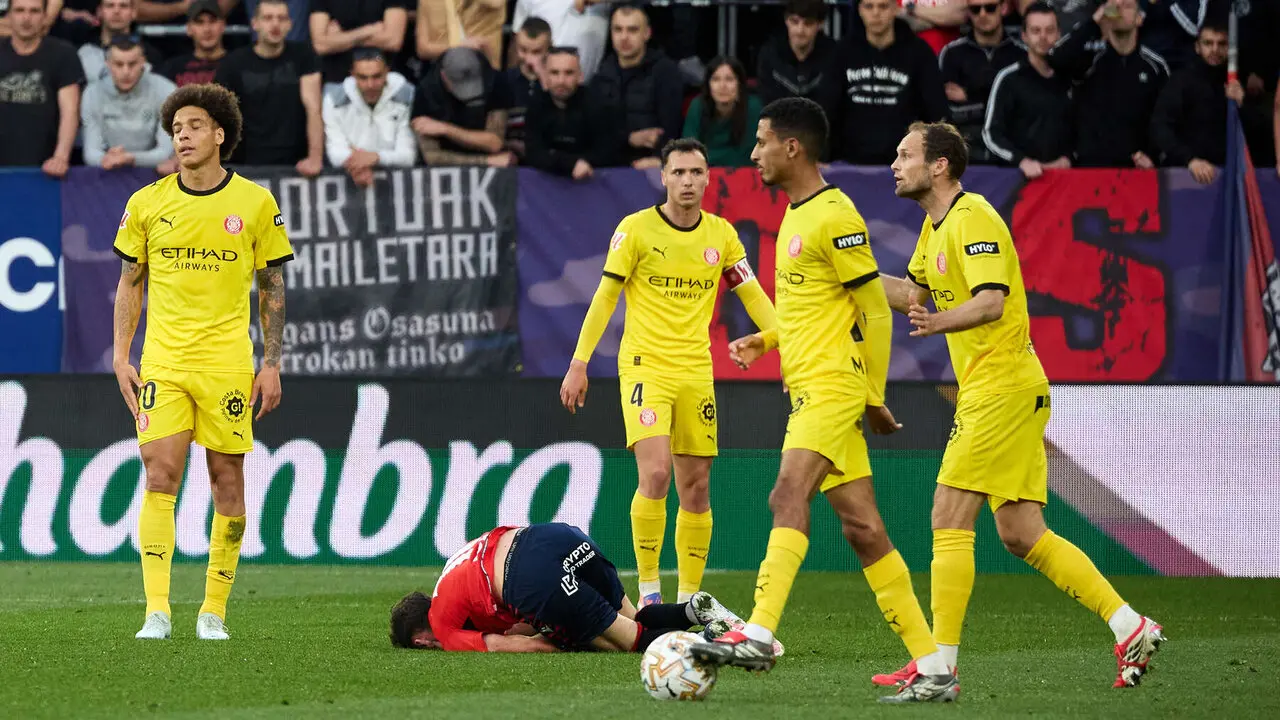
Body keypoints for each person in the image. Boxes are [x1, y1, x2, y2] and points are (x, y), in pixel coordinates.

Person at [872, 121, 1164, 698]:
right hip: (1005, 389)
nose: (894, 164)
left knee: (947, 515)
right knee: (1022, 532)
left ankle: (939, 668)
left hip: (1000, 386)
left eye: (905, 155)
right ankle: (1131, 627)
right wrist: (845, 272)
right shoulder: (934, 231)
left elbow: (988, 302)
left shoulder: (972, 216)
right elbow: (913, 294)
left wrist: (936, 324)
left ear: (940, 166)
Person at [688, 99, 950, 697]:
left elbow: (873, 311)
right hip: (810, 385)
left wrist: (873, 395)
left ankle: (757, 630)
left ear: (792, 147)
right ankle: (932, 664)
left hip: (833, 389)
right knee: (863, 528)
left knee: (786, 493)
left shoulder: (834, 213)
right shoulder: (800, 216)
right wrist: (770, 337)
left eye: (760, 141)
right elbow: (825, 303)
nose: (752, 154)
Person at [561, 137, 778, 616]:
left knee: (696, 486)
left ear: (707, 179)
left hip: (696, 370)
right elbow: (604, 298)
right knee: (656, 472)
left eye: (696, 173)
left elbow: (754, 295)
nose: (687, 181)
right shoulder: (635, 230)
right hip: (644, 366)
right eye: (677, 173)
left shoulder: (721, 236)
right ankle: (650, 591)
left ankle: (690, 598)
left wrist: (778, 338)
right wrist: (579, 362)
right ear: (663, 177)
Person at [112, 83, 294, 642]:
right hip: (163, 362)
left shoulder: (256, 204)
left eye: (193, 126)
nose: (182, 136)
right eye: (175, 129)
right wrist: (121, 355)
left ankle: (213, 610)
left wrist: (272, 363)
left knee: (227, 481)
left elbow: (272, 287)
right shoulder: (147, 202)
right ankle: (157, 610)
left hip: (227, 366)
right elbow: (130, 282)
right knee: (159, 474)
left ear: (220, 134)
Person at [389, 523, 744, 653]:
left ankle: (717, 640)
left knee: (629, 639)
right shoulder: (455, 568)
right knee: (634, 616)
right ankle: (694, 608)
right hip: (553, 537)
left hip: (528, 575)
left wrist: (559, 644)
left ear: (420, 639)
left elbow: (504, 642)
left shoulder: (443, 625)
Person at [213, 0, 324, 176]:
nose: (275, 24)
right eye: (268, 18)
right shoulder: (233, 63)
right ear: (255, 23)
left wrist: (315, 157)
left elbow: (314, 108)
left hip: (296, 162)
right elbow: (216, 115)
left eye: (281, 18)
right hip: (247, 161)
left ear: (290, 24)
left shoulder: (304, 55)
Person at [981, 1, 1073, 178]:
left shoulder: (1068, 79)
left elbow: (1079, 128)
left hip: (1063, 182)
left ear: (1059, 34)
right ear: (1024, 35)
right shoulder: (1009, 78)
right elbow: (991, 134)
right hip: (1019, 183)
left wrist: (1069, 157)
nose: (1043, 37)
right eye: (1036, 31)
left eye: (1049, 30)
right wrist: (1021, 161)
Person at [1150, 23, 1244, 184]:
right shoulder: (1181, 82)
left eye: (1221, 44)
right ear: (1197, 47)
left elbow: (1256, 137)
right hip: (1184, 177)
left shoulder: (1236, 85)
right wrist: (1190, 160)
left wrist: (1242, 106)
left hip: (1228, 179)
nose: (1215, 49)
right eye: (1208, 43)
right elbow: (1160, 127)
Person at [0, 0, 84, 176]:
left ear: (45, 16)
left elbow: (70, 111)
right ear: (9, 16)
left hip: (46, 168)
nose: (26, 18)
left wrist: (60, 157)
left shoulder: (63, 54)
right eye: (19, 10)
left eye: (34, 11)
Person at [81, 35, 178, 172]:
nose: (126, 72)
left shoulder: (166, 90)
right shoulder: (92, 93)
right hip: (109, 171)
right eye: (119, 64)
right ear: (107, 64)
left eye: (132, 64)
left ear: (143, 62)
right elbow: (90, 153)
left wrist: (129, 158)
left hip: (154, 173)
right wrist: (107, 159)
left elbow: (165, 152)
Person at [322, 48, 417, 185]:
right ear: (353, 75)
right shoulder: (333, 99)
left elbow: (408, 156)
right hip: (351, 179)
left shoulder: (406, 95)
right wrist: (361, 165)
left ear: (386, 72)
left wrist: (375, 158)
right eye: (363, 77)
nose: (370, 85)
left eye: (376, 76)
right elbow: (335, 153)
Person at [523, 46, 620, 179]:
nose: (561, 81)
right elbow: (533, 153)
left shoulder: (598, 105)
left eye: (568, 73)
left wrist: (558, 159)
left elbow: (607, 152)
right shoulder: (536, 105)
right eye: (554, 73)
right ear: (545, 75)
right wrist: (570, 163)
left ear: (580, 76)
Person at [682, 57, 761, 168]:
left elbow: (749, 156)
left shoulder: (753, 107)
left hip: (743, 174)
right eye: (716, 79)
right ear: (708, 85)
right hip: (704, 174)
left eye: (729, 79)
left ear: (739, 84)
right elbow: (689, 151)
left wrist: (707, 157)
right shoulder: (697, 105)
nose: (722, 86)